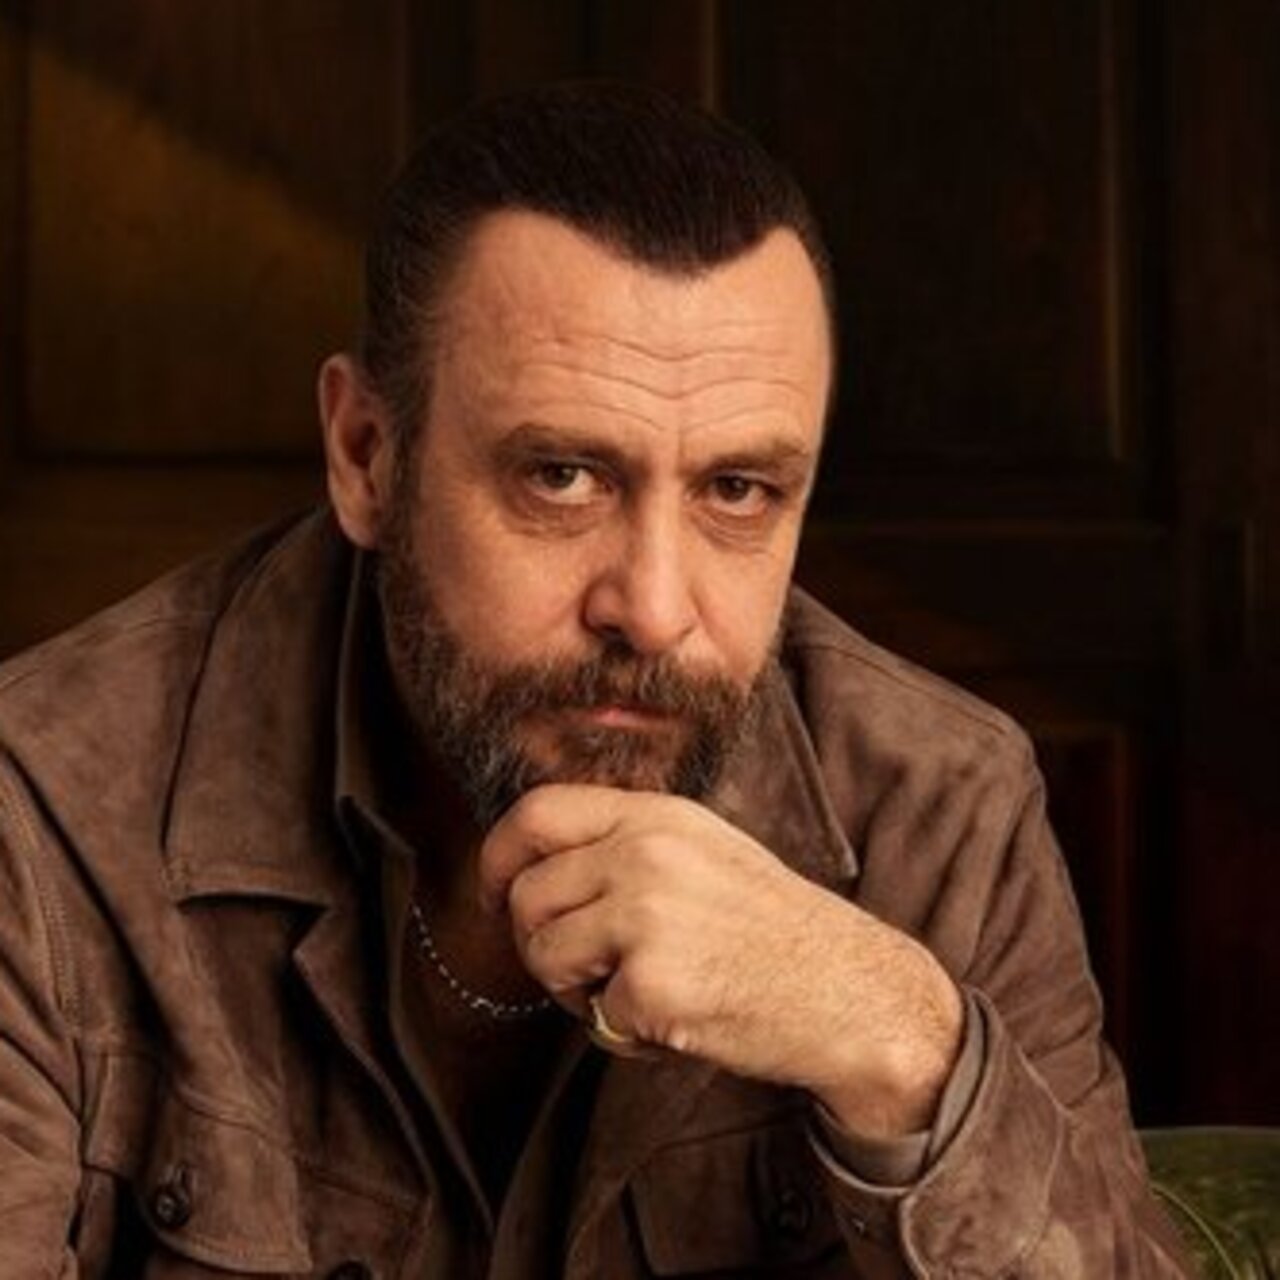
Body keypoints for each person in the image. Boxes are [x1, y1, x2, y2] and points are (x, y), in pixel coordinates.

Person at [0, 81, 1190, 1277]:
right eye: (561, 476)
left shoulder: (941, 811)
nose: (654, 609)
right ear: (366, 456)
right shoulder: (43, 814)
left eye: (737, 491)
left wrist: (897, 1040)